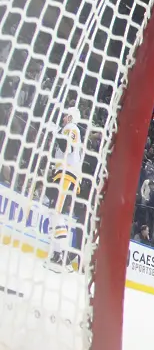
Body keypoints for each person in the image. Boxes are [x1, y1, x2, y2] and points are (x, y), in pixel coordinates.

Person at [48, 105, 84, 268]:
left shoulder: (71, 128)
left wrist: (55, 132)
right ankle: (57, 252)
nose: (63, 118)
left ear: (70, 117)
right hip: (63, 173)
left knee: (56, 211)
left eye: (65, 116)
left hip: (67, 174)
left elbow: (67, 147)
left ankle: (61, 252)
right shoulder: (69, 128)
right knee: (54, 212)